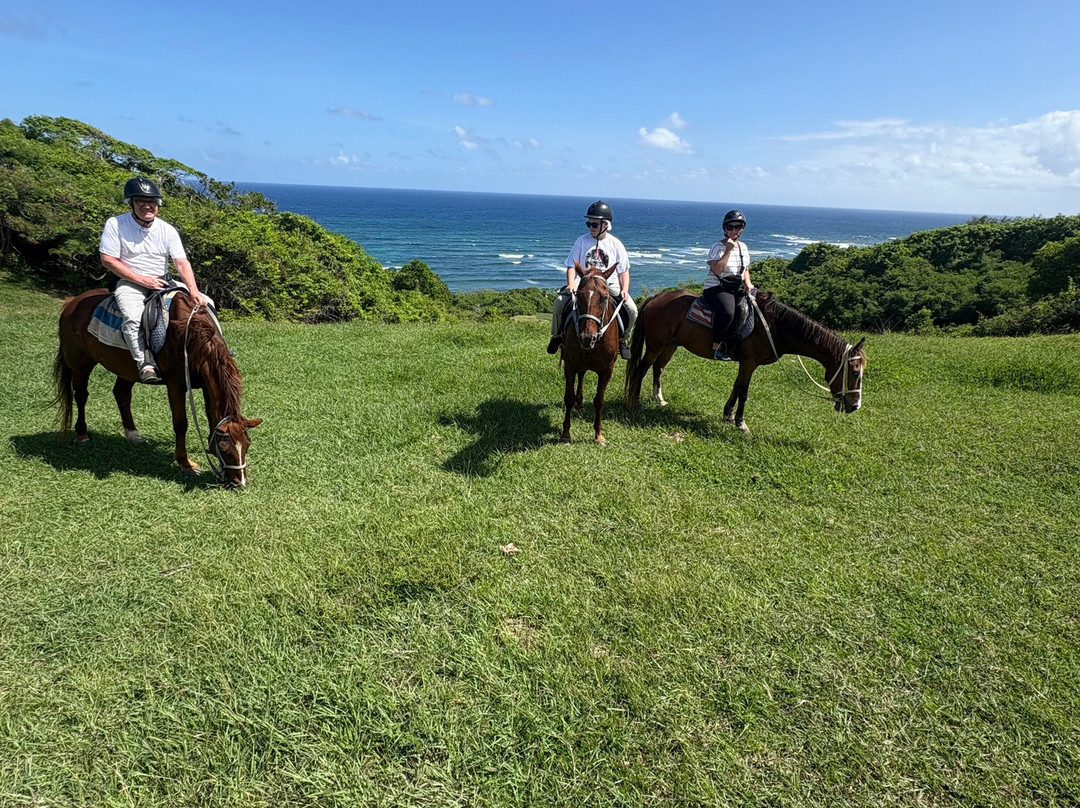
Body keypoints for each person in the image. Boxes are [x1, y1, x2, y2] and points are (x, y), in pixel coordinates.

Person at [99, 177, 210, 383]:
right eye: (141, 201)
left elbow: (181, 263)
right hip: (130, 282)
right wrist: (142, 280)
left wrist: (194, 291)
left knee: (208, 304)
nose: (147, 206)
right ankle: (144, 363)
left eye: (151, 201)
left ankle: (214, 350)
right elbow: (108, 260)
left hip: (164, 282)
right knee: (133, 318)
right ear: (131, 203)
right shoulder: (115, 224)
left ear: (158, 204)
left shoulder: (167, 229)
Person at [547, 200, 637, 360]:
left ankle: (623, 340)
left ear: (605, 225)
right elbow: (571, 265)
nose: (590, 227)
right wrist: (571, 283)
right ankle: (557, 336)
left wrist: (624, 289)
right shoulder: (581, 241)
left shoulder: (616, 244)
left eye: (594, 224)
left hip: (608, 283)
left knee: (632, 310)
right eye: (588, 224)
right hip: (584, 282)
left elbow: (624, 271)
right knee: (559, 304)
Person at [703, 209, 755, 361]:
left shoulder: (743, 247)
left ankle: (740, 342)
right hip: (715, 288)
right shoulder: (717, 247)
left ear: (742, 228)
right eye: (730, 227)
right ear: (725, 228)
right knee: (727, 312)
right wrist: (728, 251)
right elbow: (717, 270)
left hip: (735, 287)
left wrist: (748, 283)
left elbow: (745, 269)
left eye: (737, 227)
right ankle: (716, 347)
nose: (733, 230)